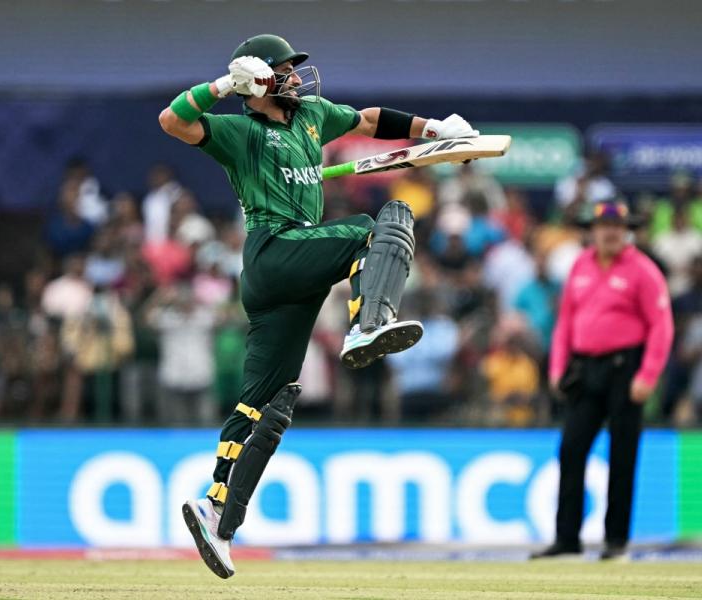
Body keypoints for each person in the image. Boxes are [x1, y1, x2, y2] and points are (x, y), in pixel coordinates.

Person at [158, 33, 478, 578]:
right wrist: (223, 85)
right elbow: (172, 120)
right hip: (273, 252)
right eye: (284, 70)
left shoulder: (312, 116)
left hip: (293, 273)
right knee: (381, 223)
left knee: (267, 404)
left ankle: (217, 515)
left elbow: (369, 120)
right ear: (257, 81)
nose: (296, 77)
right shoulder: (239, 132)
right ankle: (368, 322)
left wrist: (434, 129)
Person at [531, 200, 673, 561]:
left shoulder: (643, 270)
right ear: (592, 231)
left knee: (622, 455)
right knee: (571, 449)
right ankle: (567, 539)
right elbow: (565, 321)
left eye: (617, 226)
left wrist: (648, 374)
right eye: (604, 226)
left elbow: (661, 325)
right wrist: (557, 368)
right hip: (585, 368)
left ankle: (615, 541)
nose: (611, 232)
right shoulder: (581, 265)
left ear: (627, 231)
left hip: (626, 369)